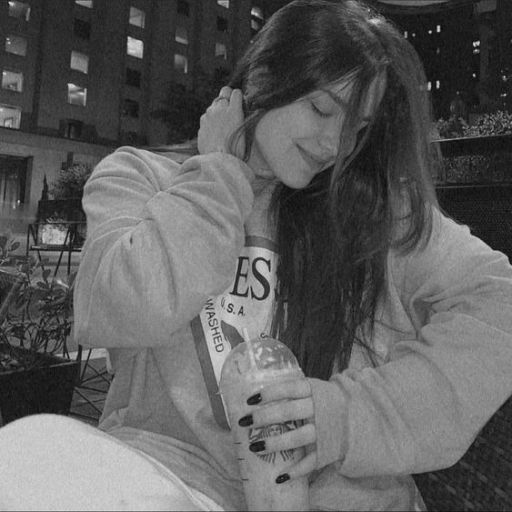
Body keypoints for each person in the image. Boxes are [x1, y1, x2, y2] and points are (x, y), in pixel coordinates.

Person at [1, 0, 512, 510]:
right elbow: (114, 309)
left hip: (337, 500)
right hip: (176, 481)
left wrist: (339, 418)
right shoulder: (143, 177)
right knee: (31, 453)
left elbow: (498, 305)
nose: (337, 143)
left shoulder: (373, 213)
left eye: (357, 128)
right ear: (265, 77)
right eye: (322, 109)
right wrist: (220, 174)